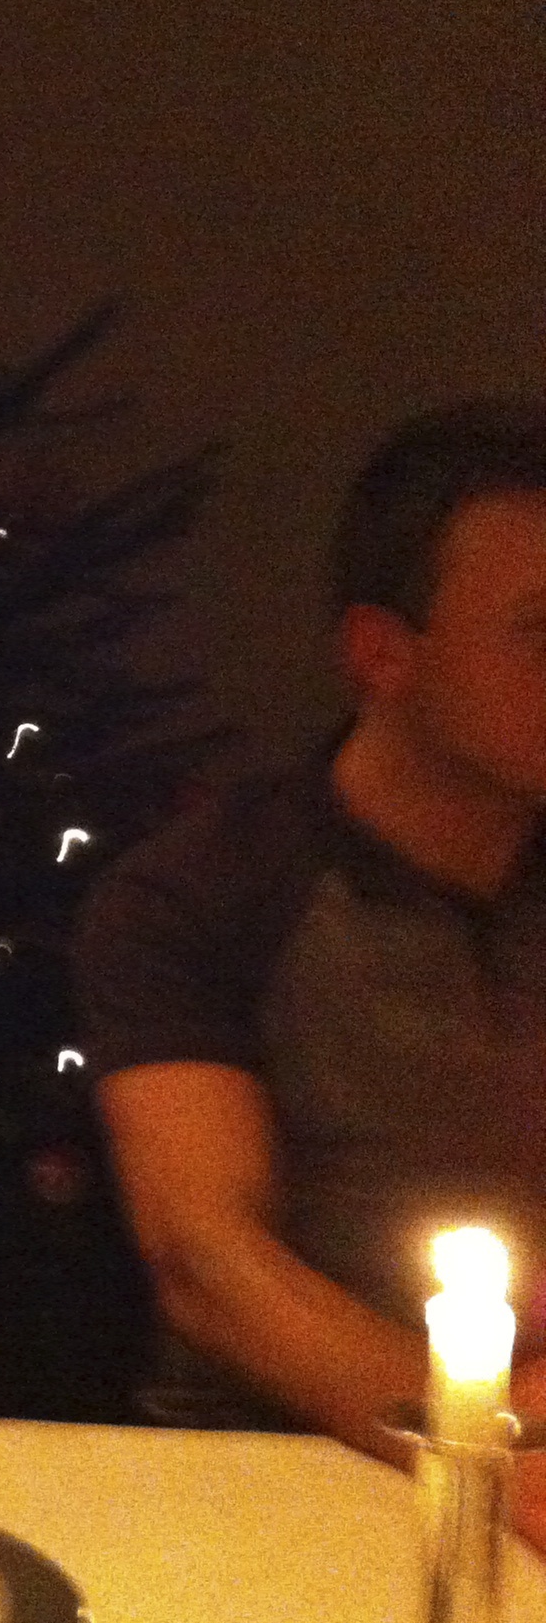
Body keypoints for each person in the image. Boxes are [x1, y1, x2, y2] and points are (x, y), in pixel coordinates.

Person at [76, 400, 546, 1541]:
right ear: (383, 654)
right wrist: (488, 1448)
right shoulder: (206, 891)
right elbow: (207, 1260)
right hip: (272, 1485)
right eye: (541, 631)